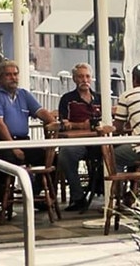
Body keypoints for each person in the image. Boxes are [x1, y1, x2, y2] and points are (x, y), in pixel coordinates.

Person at [0, 59, 56, 217]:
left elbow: (41, 112)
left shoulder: (23, 94)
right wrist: (13, 147)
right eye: (8, 75)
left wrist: (54, 123)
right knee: (3, 162)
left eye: (15, 74)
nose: (13, 78)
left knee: (53, 158)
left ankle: (35, 195)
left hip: (22, 140)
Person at [57, 62, 101, 212]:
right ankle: (78, 197)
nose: (85, 80)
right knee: (66, 154)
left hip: (100, 141)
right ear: (74, 79)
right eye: (81, 77)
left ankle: (113, 194)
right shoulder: (67, 99)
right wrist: (82, 125)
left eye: (87, 76)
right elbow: (64, 124)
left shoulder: (100, 98)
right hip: (78, 141)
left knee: (121, 151)